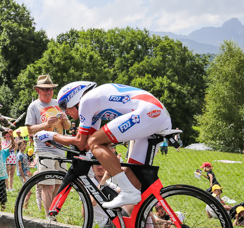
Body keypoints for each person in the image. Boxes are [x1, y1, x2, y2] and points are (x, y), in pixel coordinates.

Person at [49, 81, 171, 209]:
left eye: (64, 106)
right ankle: (132, 227)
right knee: (132, 179)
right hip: (157, 116)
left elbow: (82, 142)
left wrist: (51, 136)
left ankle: (128, 191)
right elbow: (85, 146)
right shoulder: (94, 109)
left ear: (73, 99)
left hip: (149, 113)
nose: (65, 112)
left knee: (95, 142)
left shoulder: (86, 101)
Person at [25, 74, 73, 216]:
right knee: (48, 184)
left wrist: (64, 120)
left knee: (59, 184)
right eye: (45, 89)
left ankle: (54, 212)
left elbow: (68, 127)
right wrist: (46, 124)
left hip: (60, 148)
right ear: (38, 90)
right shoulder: (34, 106)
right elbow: (29, 130)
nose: (48, 92)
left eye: (51, 89)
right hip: (44, 149)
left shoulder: (59, 104)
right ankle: (48, 216)